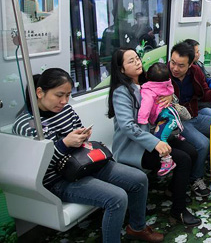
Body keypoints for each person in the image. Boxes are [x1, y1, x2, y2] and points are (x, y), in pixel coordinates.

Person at [13, 68, 164, 242]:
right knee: (117, 198)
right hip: (60, 179)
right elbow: (39, 168)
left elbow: (78, 129)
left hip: (84, 163)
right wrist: (64, 144)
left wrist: (82, 136)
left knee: (139, 179)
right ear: (39, 92)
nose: (64, 101)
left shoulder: (66, 110)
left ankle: (137, 227)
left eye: (68, 95)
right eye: (59, 95)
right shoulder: (27, 126)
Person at [108, 48, 202, 226]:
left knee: (191, 150)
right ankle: (178, 212)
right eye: (130, 61)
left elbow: (167, 93)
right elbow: (128, 126)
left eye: (137, 58)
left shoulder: (146, 81)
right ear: (121, 69)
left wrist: (169, 97)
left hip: (153, 136)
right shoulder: (121, 92)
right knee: (181, 159)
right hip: (133, 147)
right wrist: (156, 142)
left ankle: (174, 191)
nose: (137, 62)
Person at [167, 42, 211, 196]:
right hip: (177, 121)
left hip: (194, 114)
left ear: (190, 64)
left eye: (181, 65)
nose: (175, 68)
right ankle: (195, 178)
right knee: (203, 143)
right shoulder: (163, 74)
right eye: (173, 62)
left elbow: (205, 94)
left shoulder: (195, 72)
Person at [137, 62, 180, 177]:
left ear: (147, 76)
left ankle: (167, 161)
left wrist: (142, 120)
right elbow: (171, 91)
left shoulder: (148, 91)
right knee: (165, 131)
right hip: (171, 114)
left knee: (160, 137)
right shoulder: (168, 84)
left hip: (166, 118)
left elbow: (146, 107)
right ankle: (177, 134)